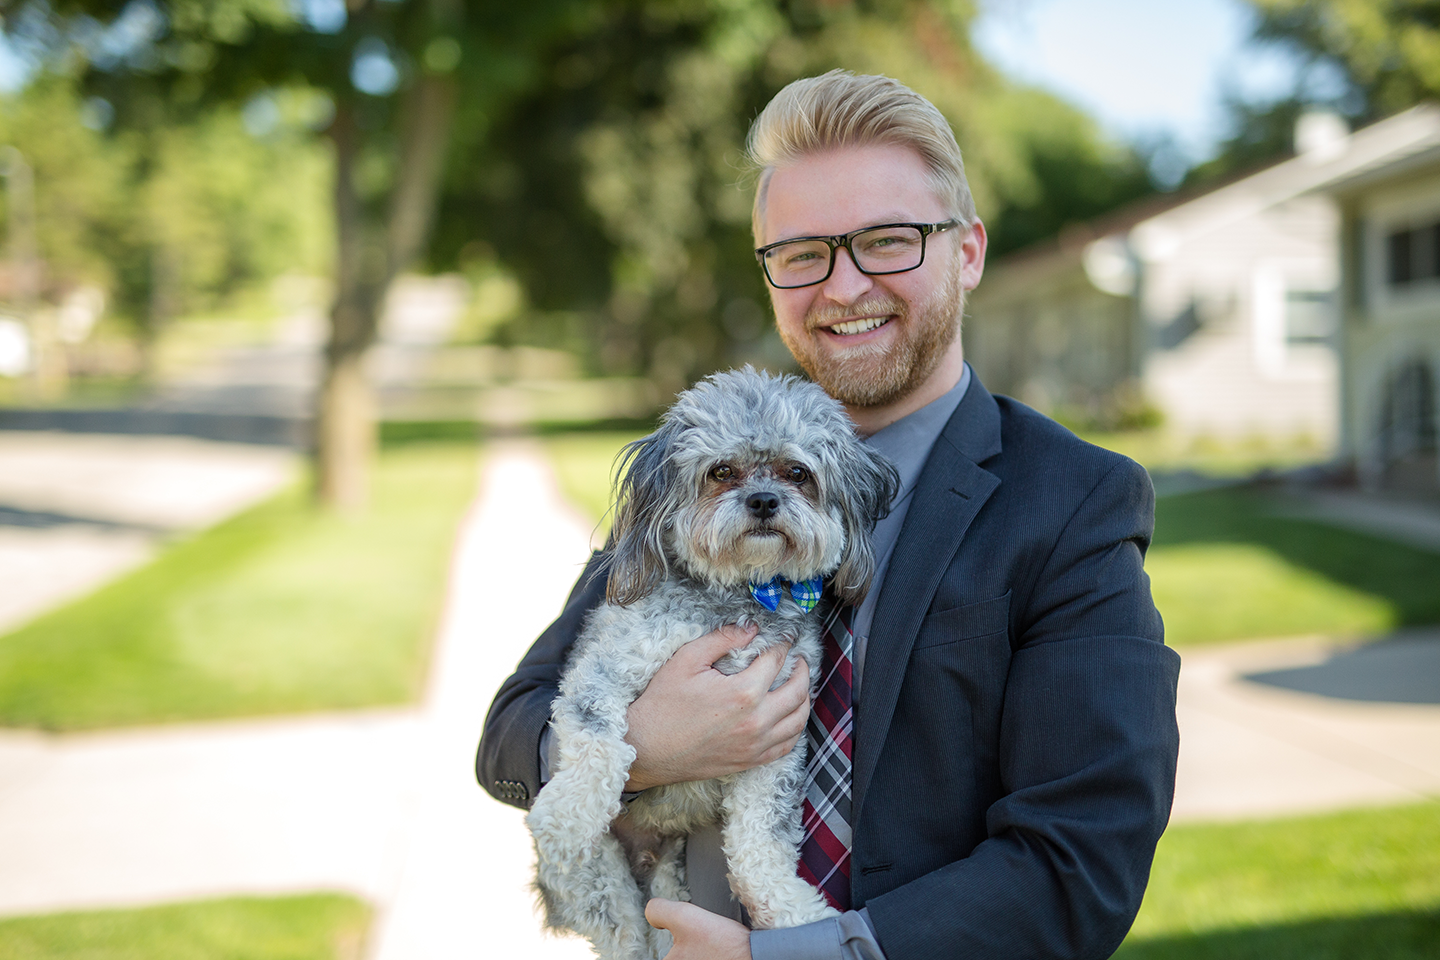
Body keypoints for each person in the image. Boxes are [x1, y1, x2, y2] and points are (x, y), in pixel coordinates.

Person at [478, 70, 1180, 960]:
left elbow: (1083, 862)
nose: (843, 288)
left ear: (966, 251)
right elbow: (508, 736)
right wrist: (647, 745)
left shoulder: (1074, 502)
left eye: (887, 241)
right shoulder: (700, 475)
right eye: (804, 253)